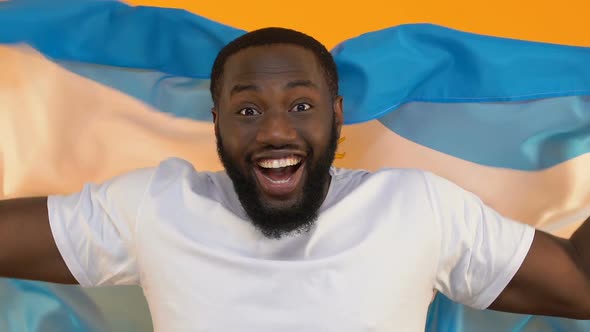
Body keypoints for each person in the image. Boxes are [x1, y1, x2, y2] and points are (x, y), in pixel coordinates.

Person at [1, 27, 589, 331]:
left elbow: (580, 285)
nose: (274, 131)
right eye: (248, 110)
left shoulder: (418, 207)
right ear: (217, 122)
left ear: (336, 114)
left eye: (301, 106)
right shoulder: (155, 205)